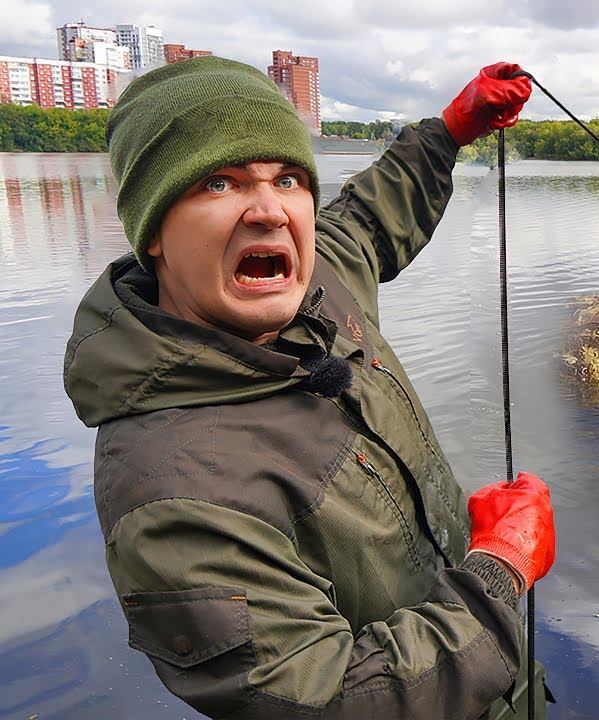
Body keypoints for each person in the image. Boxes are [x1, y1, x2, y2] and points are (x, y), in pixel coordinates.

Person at [62, 56, 555, 719]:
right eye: (219, 183)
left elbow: (369, 218)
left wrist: (449, 128)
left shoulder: (320, 285)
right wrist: (501, 568)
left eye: (288, 178)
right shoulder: (169, 490)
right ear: (152, 230)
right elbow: (329, 701)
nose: (270, 210)